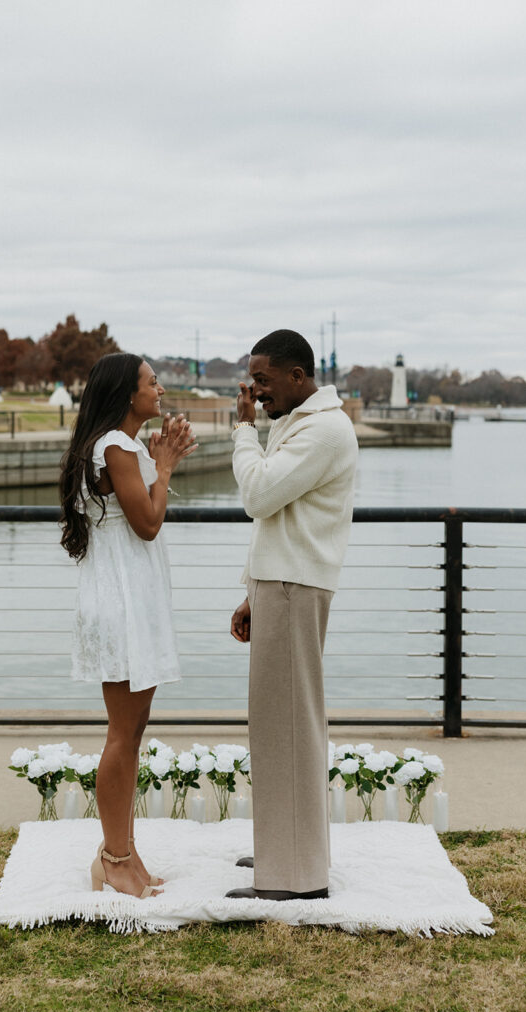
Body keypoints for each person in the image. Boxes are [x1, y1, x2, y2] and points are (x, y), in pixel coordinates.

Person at [59, 352, 197, 899]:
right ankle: (113, 859)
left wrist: (158, 458)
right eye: (151, 381)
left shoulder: (125, 444)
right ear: (127, 394)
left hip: (131, 599)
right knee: (122, 734)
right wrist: (164, 468)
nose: (159, 388)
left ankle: (124, 851)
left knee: (132, 732)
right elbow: (147, 523)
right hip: (119, 605)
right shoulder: (115, 446)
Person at [226, 329, 358, 901]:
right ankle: (287, 846)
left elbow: (257, 495)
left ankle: (294, 878)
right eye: (253, 381)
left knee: (289, 727)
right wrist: (251, 591)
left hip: (294, 587)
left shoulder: (324, 430)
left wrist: (241, 432)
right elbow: (276, 521)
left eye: (263, 379)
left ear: (298, 377)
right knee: (279, 726)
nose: (256, 392)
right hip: (280, 585)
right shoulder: (302, 423)